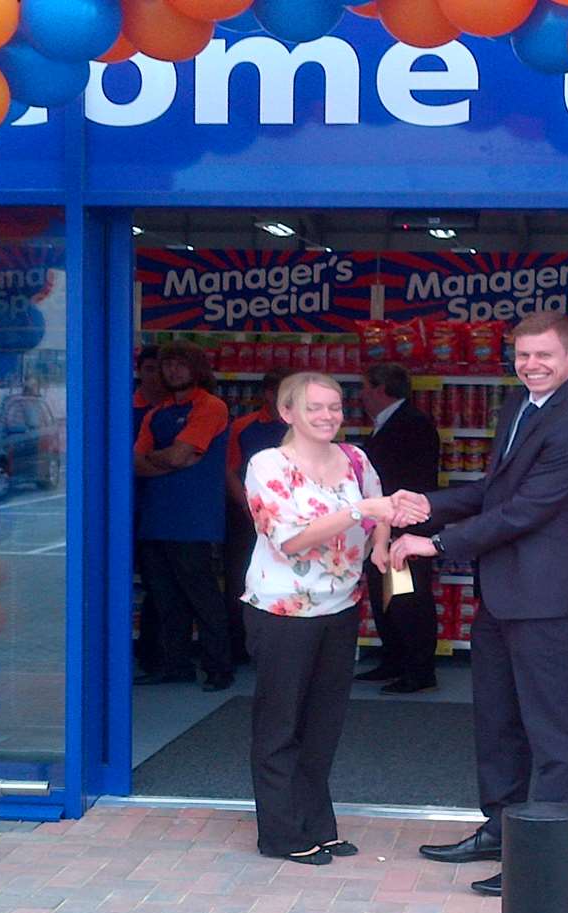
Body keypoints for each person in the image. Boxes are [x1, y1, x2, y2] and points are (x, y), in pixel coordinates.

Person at [390, 312, 568, 897]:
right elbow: (495, 493)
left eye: (544, 356)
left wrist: (433, 541)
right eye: (523, 355)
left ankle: (546, 856)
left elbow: (526, 511)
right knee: (497, 719)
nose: (532, 365)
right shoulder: (520, 406)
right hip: (504, 589)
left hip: (541, 595)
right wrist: (425, 505)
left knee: (551, 730)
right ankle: (502, 827)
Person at [240, 373, 425, 863]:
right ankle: (280, 834)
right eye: (314, 408)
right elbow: (290, 540)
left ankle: (318, 823)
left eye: (335, 407)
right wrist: (358, 511)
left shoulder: (356, 460)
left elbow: (381, 508)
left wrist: (383, 545)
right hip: (282, 611)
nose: (327, 416)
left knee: (323, 724)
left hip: (341, 606)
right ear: (288, 413)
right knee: (280, 725)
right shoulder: (267, 465)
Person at [134, 342, 235, 692]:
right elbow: (138, 463)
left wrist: (163, 460)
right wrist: (173, 460)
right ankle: (175, 664)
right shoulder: (156, 411)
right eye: (169, 365)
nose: (174, 371)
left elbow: (172, 457)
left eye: (181, 365)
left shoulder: (211, 406)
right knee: (164, 598)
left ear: (196, 369)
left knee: (202, 596)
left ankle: (219, 668)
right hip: (155, 518)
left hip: (194, 520)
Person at [357, 362, 443, 693]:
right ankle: (393, 659)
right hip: (383, 527)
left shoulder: (412, 423)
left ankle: (419, 670)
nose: (361, 395)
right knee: (385, 596)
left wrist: (394, 525)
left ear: (381, 389)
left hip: (402, 529)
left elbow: (410, 479)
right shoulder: (388, 422)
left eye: (365, 387)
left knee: (408, 597)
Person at [225, 368, 293, 665]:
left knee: (290, 580)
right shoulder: (243, 426)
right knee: (242, 580)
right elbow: (229, 470)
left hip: (293, 520)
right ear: (268, 394)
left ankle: (283, 648)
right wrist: (248, 506)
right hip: (247, 518)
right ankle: (240, 648)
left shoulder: (306, 426)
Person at [132, 346, 167, 677]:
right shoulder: (122, 402)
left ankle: (152, 653)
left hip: (159, 507)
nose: (158, 375)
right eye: (152, 368)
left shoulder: (172, 408)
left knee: (158, 583)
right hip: (123, 505)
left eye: (162, 368)